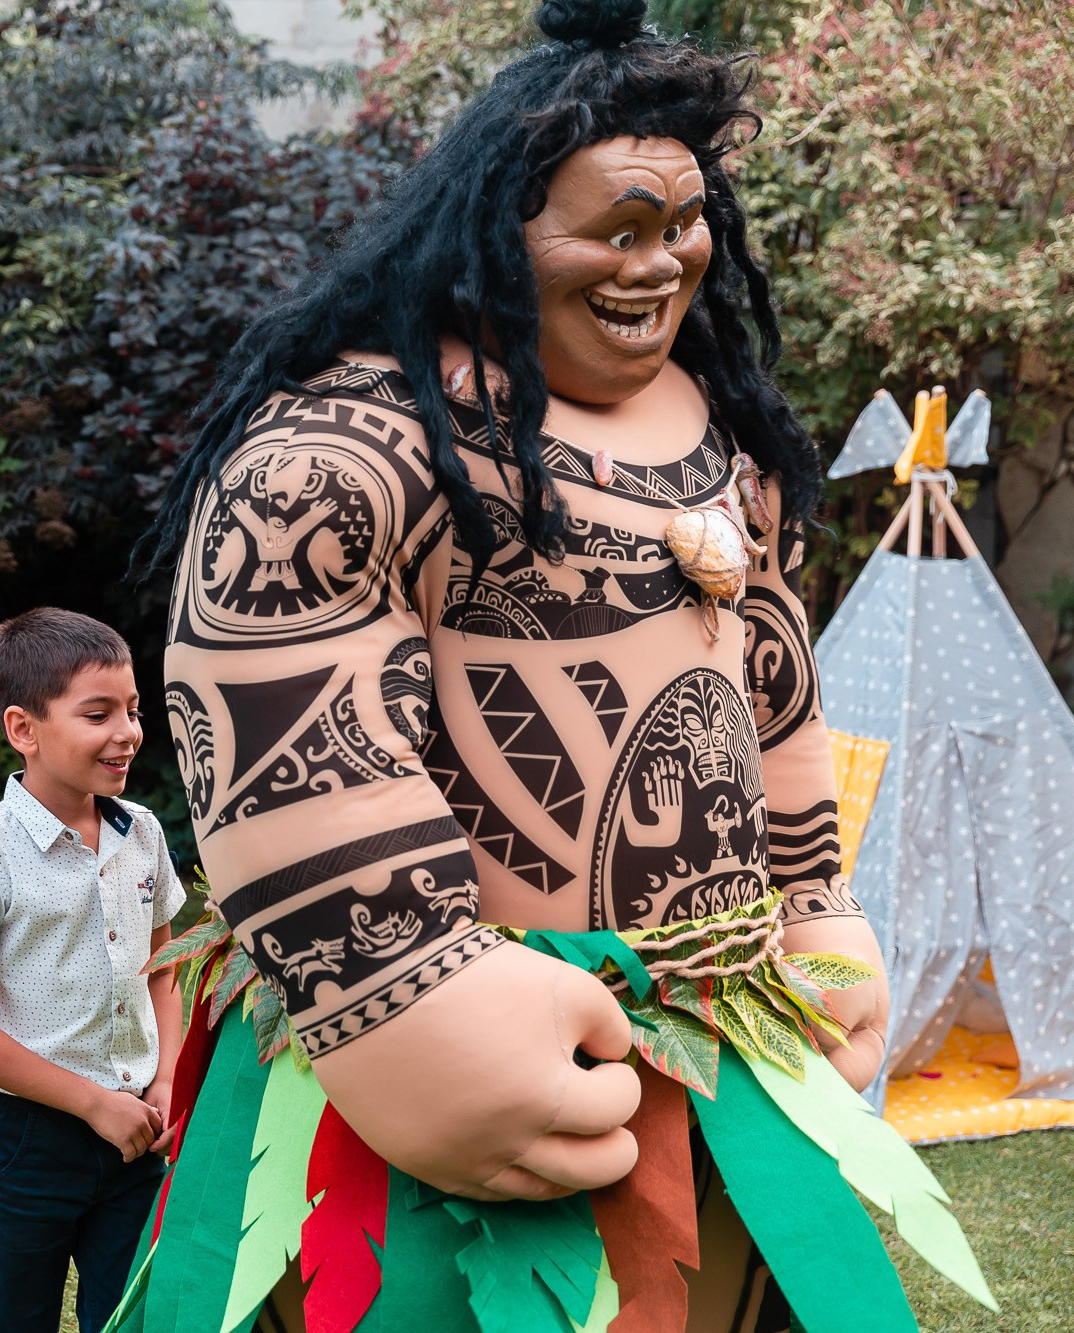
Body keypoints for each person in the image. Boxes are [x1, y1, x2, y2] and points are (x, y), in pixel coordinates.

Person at [117, 2, 989, 1330]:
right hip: (423, 1110)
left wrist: (813, 902)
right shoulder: (357, 446)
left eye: (681, 224)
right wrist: (398, 993)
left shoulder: (715, 443)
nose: (662, 262)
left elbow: (770, 689)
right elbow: (285, 702)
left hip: (702, 1055)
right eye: (618, 229)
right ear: (496, 232)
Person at [0, 608, 186, 1333]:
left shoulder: (143, 831)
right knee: (19, 1318)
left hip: (139, 1123)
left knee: (128, 1317)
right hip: (27, 1139)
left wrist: (164, 1077)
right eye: (98, 713)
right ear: (23, 729)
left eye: (134, 710)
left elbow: (162, 967)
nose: (128, 731)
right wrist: (90, 1102)